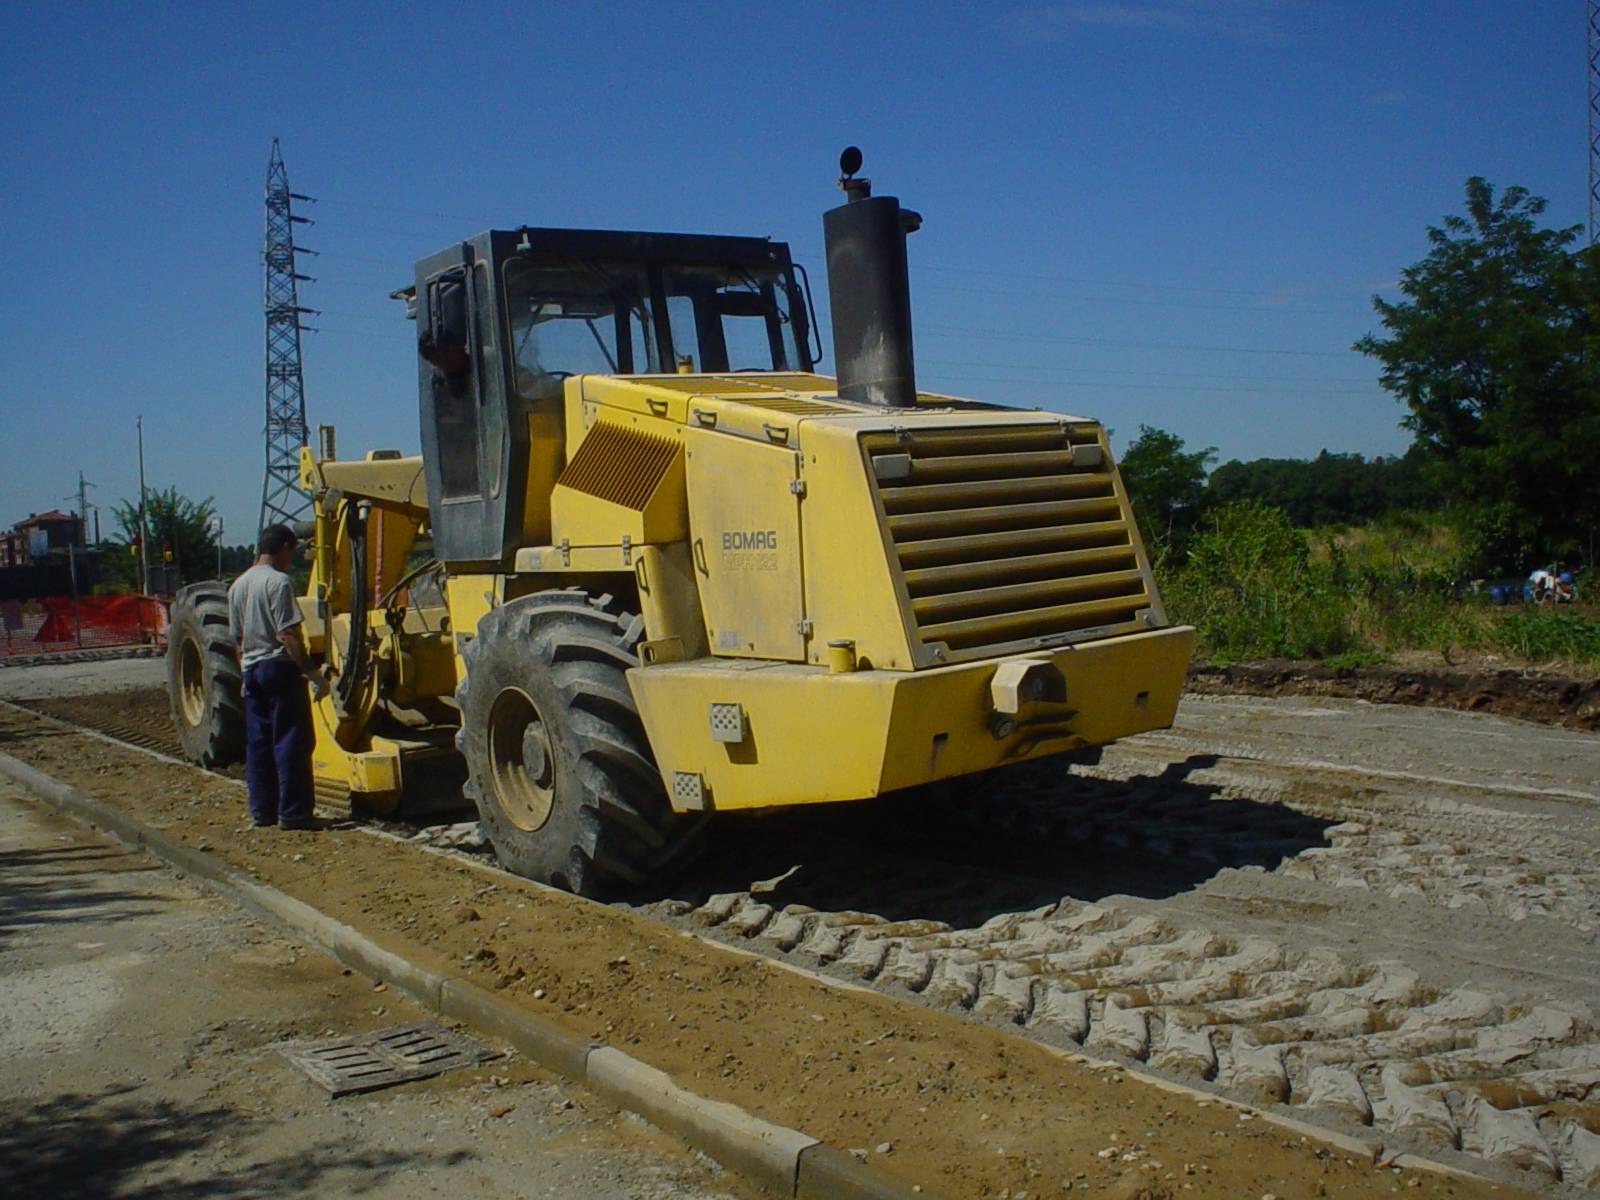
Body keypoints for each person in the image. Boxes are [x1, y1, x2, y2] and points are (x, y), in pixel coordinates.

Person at [228, 524, 329, 829]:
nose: (290, 559)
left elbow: (238, 639)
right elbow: (287, 633)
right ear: (284, 547)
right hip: (278, 668)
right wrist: (313, 674)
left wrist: (245, 675)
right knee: (291, 742)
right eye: (291, 552)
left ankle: (262, 811)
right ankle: (295, 813)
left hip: (251, 668)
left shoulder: (238, 586)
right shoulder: (278, 582)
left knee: (258, 744)